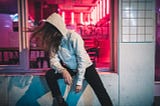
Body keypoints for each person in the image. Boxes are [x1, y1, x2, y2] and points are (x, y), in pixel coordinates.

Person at [30, 12, 113, 106]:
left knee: (101, 92)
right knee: (50, 74)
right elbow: (53, 60)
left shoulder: (73, 37)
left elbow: (81, 60)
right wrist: (63, 70)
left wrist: (79, 82)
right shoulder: (54, 41)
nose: (48, 35)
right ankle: (60, 102)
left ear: (56, 29)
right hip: (71, 68)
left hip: (86, 67)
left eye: (50, 32)